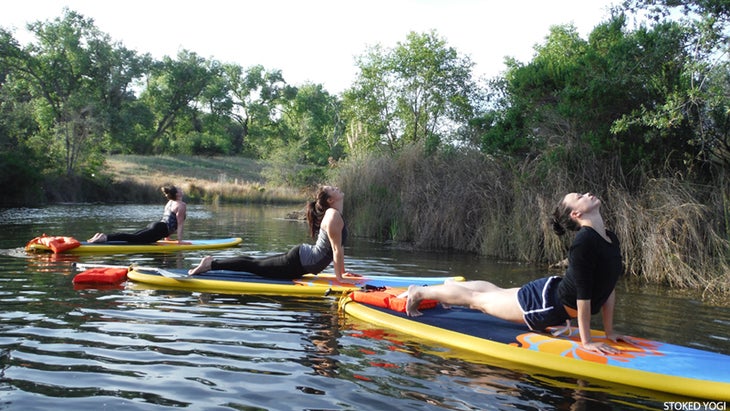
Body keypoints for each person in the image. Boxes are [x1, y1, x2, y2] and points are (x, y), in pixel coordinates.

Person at [404, 192, 629, 354]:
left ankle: (448, 288)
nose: (587, 193)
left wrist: (609, 332)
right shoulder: (584, 241)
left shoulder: (609, 237)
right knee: (478, 301)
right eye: (579, 196)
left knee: (495, 292)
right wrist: (586, 341)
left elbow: (608, 286)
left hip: (549, 293)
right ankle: (419, 294)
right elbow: (583, 296)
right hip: (544, 304)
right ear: (576, 213)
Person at [188, 185, 355, 282]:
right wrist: (339, 278)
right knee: (254, 266)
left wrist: (342, 272)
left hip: (302, 258)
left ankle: (212, 262)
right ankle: (210, 264)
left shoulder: (334, 215)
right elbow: (336, 250)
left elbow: (338, 248)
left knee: (255, 263)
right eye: (333, 188)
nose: (337, 188)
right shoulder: (333, 216)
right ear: (330, 200)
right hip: (298, 262)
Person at [88, 185, 187, 244]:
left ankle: (101, 235)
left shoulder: (170, 202)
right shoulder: (181, 205)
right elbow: (180, 224)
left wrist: (167, 238)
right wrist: (179, 241)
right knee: (134, 239)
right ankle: (105, 237)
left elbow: (167, 219)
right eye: (180, 190)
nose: (182, 190)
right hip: (160, 229)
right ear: (177, 194)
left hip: (157, 226)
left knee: (133, 236)